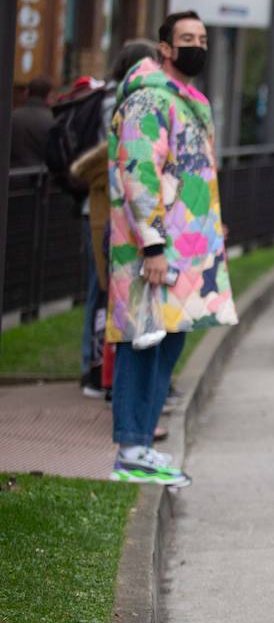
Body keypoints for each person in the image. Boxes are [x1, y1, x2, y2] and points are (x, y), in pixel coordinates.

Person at [106, 11, 238, 486]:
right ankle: (131, 447)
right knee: (142, 343)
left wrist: (210, 227)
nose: (196, 46)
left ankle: (140, 443)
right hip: (155, 252)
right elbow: (139, 172)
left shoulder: (187, 101)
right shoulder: (148, 102)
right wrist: (154, 246)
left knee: (168, 338)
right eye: (187, 39)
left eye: (202, 38)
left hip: (186, 247)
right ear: (165, 48)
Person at [70, 41, 159, 400]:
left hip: (106, 205)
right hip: (106, 206)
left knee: (104, 290)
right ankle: (95, 371)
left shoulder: (110, 97)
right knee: (103, 289)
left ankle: (97, 370)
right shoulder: (121, 103)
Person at [11, 77, 54, 167]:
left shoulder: (11, 117)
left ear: (27, 93)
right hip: (39, 177)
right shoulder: (53, 120)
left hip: (10, 175)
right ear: (49, 95)